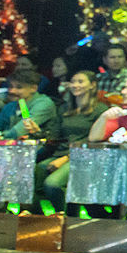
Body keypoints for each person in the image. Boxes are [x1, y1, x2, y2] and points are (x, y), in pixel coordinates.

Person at [36, 71, 109, 212]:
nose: (75, 85)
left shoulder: (100, 109)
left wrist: (65, 158)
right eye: (73, 81)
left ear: (92, 85)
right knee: (33, 175)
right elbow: (56, 137)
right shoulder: (64, 108)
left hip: (84, 156)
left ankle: (64, 217)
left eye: (80, 81)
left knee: (52, 184)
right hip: (60, 154)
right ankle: (39, 217)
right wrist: (39, 133)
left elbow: (93, 140)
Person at [0, 69, 60, 142]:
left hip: (41, 150)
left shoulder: (44, 103)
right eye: (10, 86)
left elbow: (19, 131)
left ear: (33, 88)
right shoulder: (11, 105)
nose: (12, 91)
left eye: (19, 87)